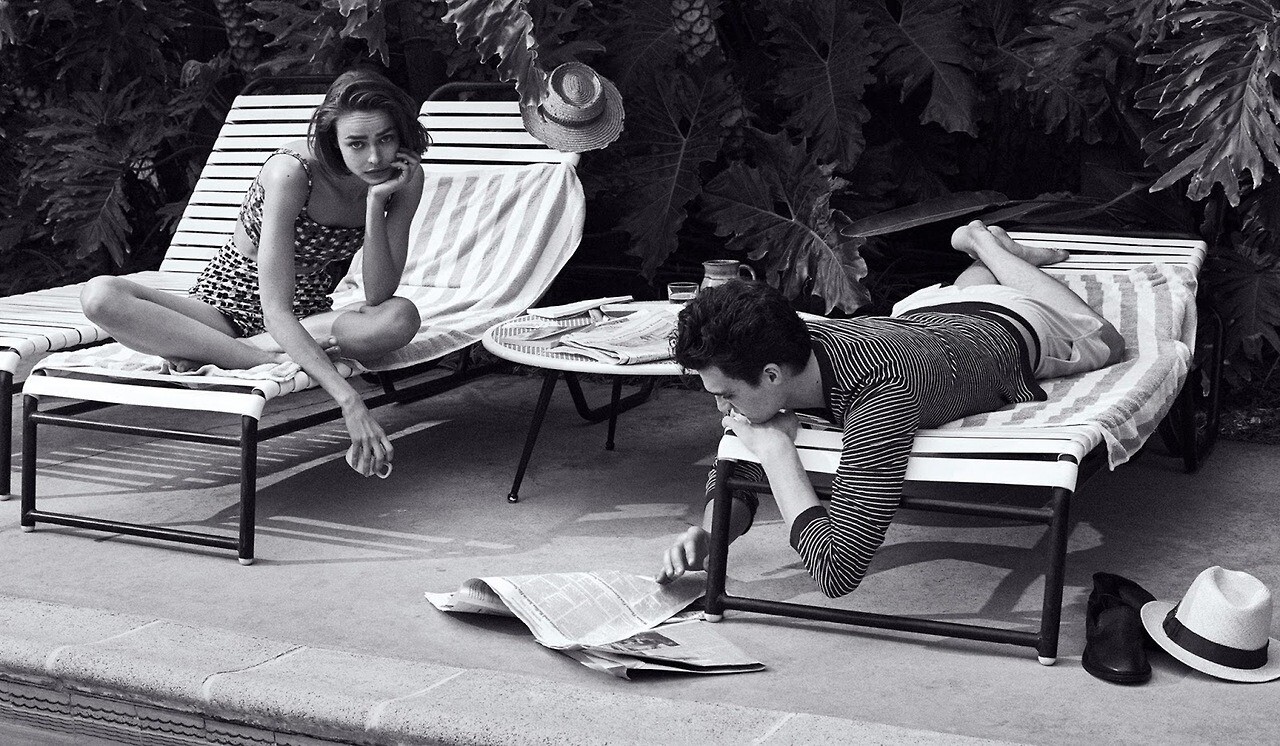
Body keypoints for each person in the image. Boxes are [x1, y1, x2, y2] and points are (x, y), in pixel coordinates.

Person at [656, 220, 1126, 597]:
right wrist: (711, 534)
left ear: (773, 375)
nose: (721, 407)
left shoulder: (881, 397)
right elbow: (740, 467)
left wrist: (779, 454)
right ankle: (983, 248)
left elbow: (837, 571)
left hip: (1008, 325)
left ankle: (988, 245)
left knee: (1109, 341)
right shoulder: (784, 342)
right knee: (969, 290)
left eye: (727, 394)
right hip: (923, 318)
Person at [80, 68, 428, 478]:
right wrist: (349, 401)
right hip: (224, 307)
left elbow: (378, 293)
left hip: (306, 314)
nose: (373, 158)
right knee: (100, 296)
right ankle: (254, 356)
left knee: (400, 316)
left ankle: (218, 352)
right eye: (356, 143)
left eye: (385, 139)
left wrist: (375, 203)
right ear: (332, 139)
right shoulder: (292, 172)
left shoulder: (402, 179)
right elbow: (274, 309)